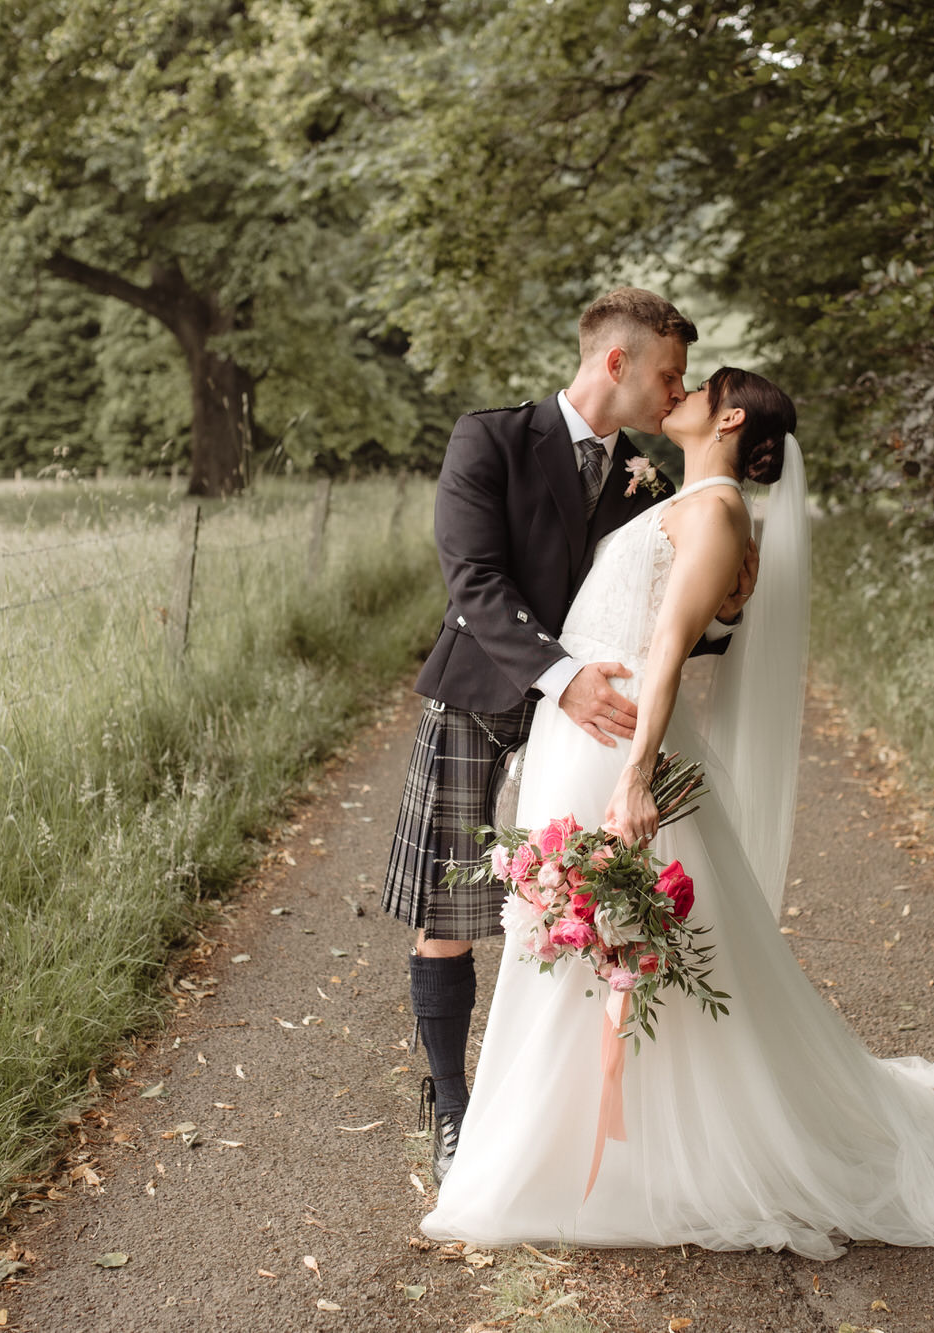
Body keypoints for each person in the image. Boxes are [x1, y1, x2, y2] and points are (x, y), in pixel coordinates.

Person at [419, 368, 934, 1258]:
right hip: (580, 729)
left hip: (617, 741)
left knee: (604, 935)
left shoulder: (715, 509)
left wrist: (634, 777)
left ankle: (581, 1156)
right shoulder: (694, 497)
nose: (680, 391)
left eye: (696, 385)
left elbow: (664, 654)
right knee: (572, 936)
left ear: (730, 415)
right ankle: (566, 1142)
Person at [380, 288, 755, 1183]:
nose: (676, 392)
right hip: (486, 692)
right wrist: (562, 678)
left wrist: (727, 610)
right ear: (616, 363)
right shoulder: (491, 437)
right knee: (452, 913)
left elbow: (661, 607)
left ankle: (573, 1107)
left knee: (584, 903)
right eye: (668, 373)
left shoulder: (653, 478)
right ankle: (453, 1105)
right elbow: (472, 579)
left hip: (590, 725)